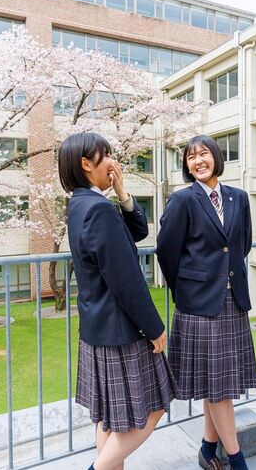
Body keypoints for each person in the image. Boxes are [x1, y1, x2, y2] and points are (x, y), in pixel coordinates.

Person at [59, 132, 174, 470]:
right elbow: (126, 282)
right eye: (106, 155)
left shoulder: (81, 204)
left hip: (97, 328)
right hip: (120, 330)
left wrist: (122, 193)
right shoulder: (98, 210)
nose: (113, 162)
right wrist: (154, 329)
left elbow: (136, 232)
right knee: (153, 408)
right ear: (85, 163)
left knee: (111, 417)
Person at [156, 135, 256, 470]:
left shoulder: (238, 197)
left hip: (232, 299)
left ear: (216, 156)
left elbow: (242, 244)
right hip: (198, 303)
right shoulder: (182, 200)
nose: (198, 161)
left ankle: (208, 448)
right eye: (191, 157)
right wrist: (187, 289)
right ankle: (237, 458)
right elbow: (167, 252)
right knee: (219, 386)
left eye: (204, 154)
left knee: (219, 383)